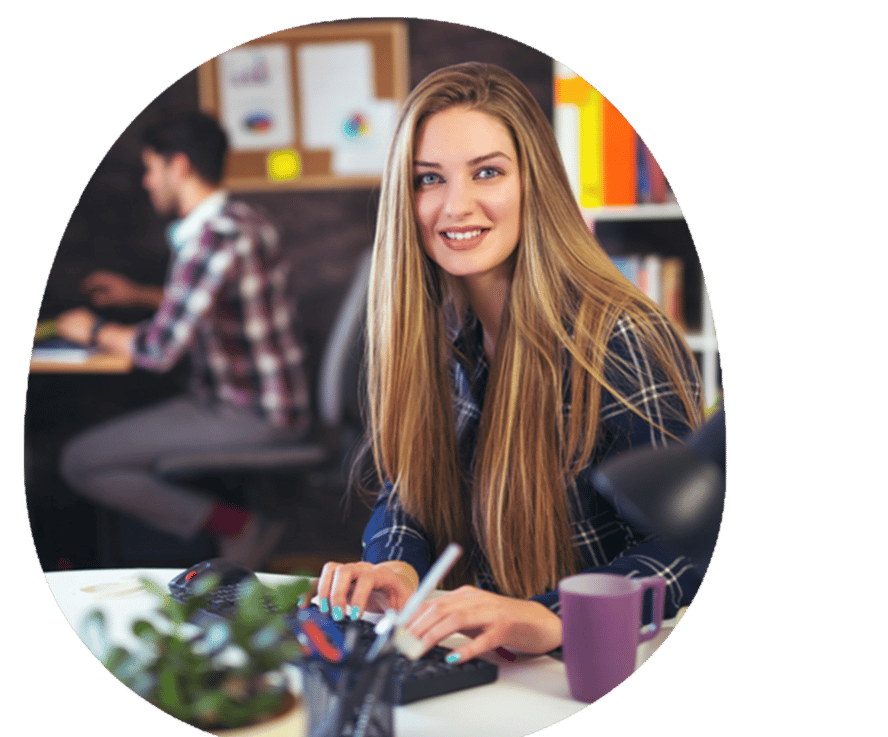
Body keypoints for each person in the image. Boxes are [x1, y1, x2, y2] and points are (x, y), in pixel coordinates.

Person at [311, 63, 705, 663]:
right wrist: (397, 563)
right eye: (428, 179)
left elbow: (688, 548)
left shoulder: (617, 338)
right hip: (499, 665)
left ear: (534, 183)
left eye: (487, 172)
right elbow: (409, 489)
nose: (455, 205)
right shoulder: (442, 331)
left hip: (595, 669)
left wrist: (549, 616)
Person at [54, 109, 310, 568]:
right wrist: (138, 294)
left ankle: (240, 526)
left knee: (80, 461)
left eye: (151, 169)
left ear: (180, 166)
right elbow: (216, 298)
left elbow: (158, 350)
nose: (147, 182)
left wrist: (89, 328)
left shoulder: (216, 238)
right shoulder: (243, 217)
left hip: (251, 411)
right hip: (258, 399)